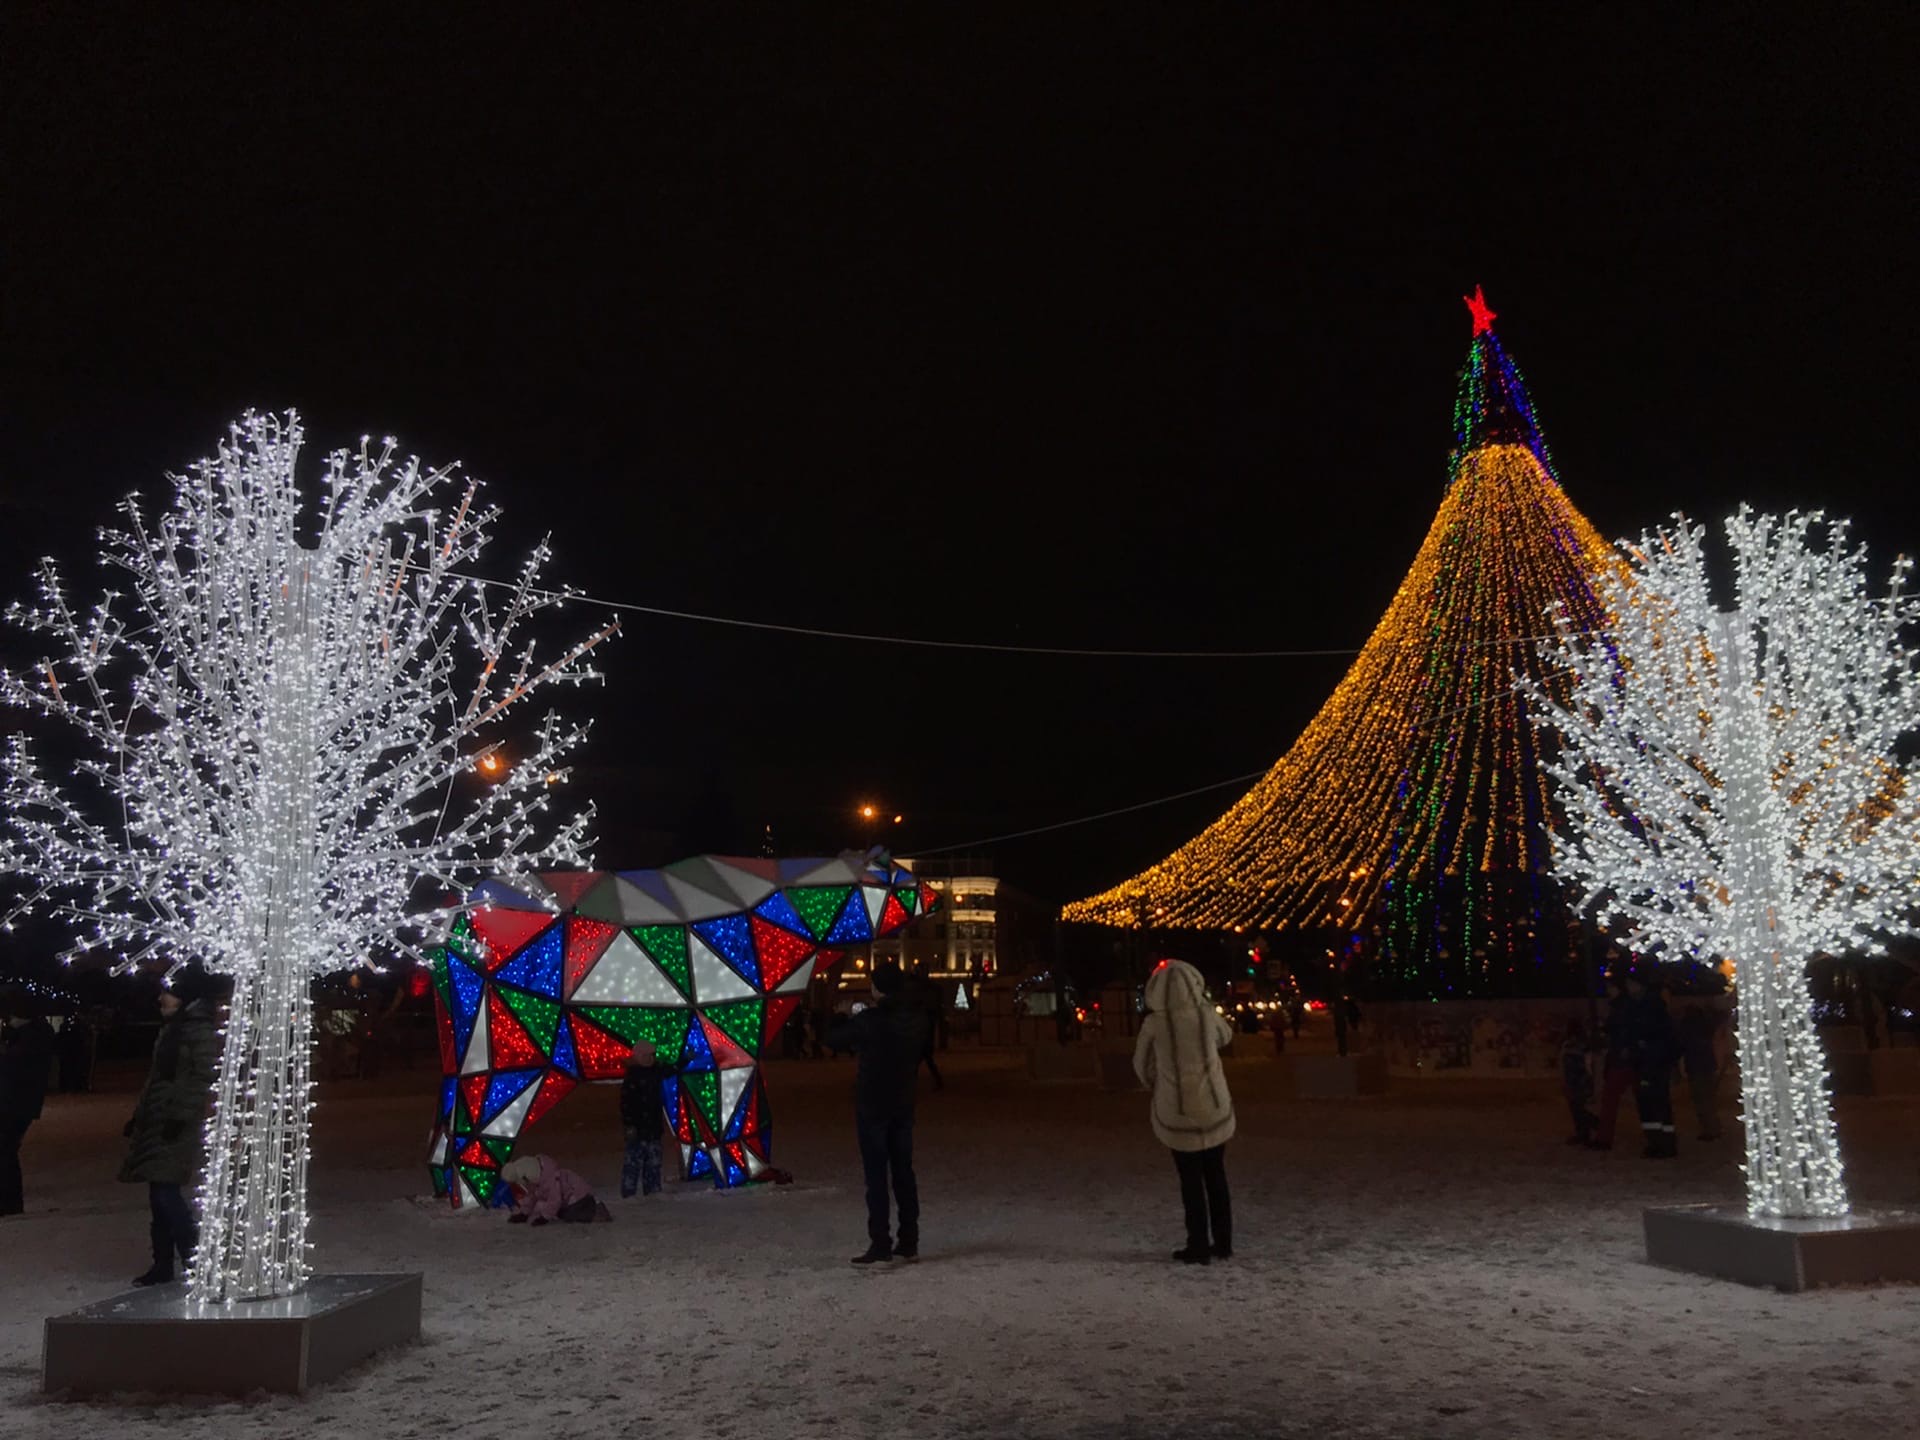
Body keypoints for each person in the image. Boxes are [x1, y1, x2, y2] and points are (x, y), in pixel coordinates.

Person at [121, 969, 221, 1285]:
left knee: (166, 1192)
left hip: (174, 1123)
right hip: (158, 1120)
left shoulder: (198, 1030)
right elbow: (156, 1081)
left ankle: (193, 1258)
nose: (161, 998)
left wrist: (180, 1115)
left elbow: (202, 1077)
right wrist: (140, 1116)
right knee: (158, 1193)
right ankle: (163, 1264)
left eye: (168, 992)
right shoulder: (173, 1030)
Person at [1132, 958, 1234, 1265]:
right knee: (1216, 1175)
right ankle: (1224, 1241)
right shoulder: (1206, 1016)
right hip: (1214, 1107)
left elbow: (1141, 1064)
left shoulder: (1154, 1024)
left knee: (1189, 1180)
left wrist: (1158, 1084)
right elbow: (1225, 1037)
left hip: (1177, 1111)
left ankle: (1198, 1244)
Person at [831, 961, 928, 1265]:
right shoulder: (916, 1019)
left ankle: (880, 1242)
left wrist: (841, 1014)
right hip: (903, 1100)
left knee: (876, 1176)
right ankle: (908, 1239)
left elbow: (834, 1039)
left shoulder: (871, 1020)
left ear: (877, 988)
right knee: (903, 1171)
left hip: (873, 1102)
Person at [1, 995, 58, 1216]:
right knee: (7, 1150)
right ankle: (10, 1201)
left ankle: (9, 1202)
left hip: (14, 1102)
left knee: (5, 1151)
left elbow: (14, 1068)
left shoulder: (31, 1038)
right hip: (18, 1102)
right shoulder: (34, 1034)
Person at [1627, 971, 1680, 1158]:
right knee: (1654, 1103)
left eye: (1632, 984)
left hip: (1652, 1063)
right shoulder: (1645, 1006)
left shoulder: (1648, 1008)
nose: (1629, 988)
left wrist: (1644, 1047)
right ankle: (1660, 1142)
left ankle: (1661, 1143)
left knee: (1653, 1103)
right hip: (1651, 1061)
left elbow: (1656, 1036)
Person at [1591, 974, 1636, 1151]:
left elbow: (1620, 1031)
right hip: (1623, 1057)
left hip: (1621, 1058)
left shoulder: (1621, 1008)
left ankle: (1604, 1137)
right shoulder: (1622, 1006)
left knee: (1610, 1099)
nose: (1608, 991)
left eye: (1610, 987)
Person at [501, 1153, 611, 1223]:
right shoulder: (536, 1178)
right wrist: (524, 1213)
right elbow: (532, 1195)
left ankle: (596, 1211)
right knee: (560, 1213)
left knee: (567, 1215)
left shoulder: (551, 1179)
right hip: (570, 1199)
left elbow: (555, 1199)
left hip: (578, 1197)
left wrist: (545, 1217)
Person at [619, 1041, 665, 1197]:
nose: (650, 1059)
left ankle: (652, 1190)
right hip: (638, 1129)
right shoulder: (632, 1077)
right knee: (633, 1163)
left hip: (653, 1127)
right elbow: (626, 1104)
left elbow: (671, 1070)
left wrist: (686, 1059)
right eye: (646, 1056)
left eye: (652, 1055)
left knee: (653, 1162)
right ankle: (629, 1192)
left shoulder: (656, 1071)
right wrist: (629, 1124)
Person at [1678, 1003, 1722, 1142]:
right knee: (1708, 1098)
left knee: (1701, 1099)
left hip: (1696, 1065)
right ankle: (1713, 1127)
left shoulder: (1688, 1028)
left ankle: (1709, 1128)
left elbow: (1682, 1044)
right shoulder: (1705, 1027)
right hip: (1707, 1065)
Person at [1559, 1019, 1597, 1146]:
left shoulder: (1572, 1045)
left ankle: (1593, 1127)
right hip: (1579, 1080)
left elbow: (1583, 1064)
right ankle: (1584, 1133)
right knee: (1577, 1108)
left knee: (1578, 1109)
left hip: (1577, 1080)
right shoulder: (1581, 1044)